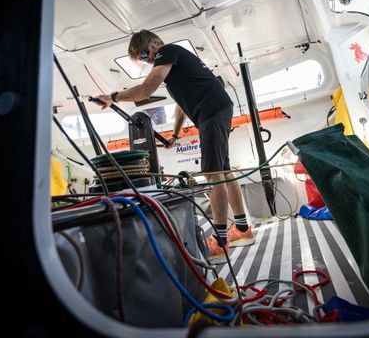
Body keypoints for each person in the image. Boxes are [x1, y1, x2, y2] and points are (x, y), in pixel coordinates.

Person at [94, 29, 255, 264]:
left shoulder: (168, 51)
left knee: (213, 174)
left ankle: (220, 243)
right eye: (141, 58)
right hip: (214, 110)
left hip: (211, 111)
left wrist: (113, 97)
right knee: (223, 169)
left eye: (145, 53)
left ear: (156, 43)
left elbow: (146, 89)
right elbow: (181, 106)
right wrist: (176, 135)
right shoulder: (176, 72)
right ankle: (242, 229)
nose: (146, 60)